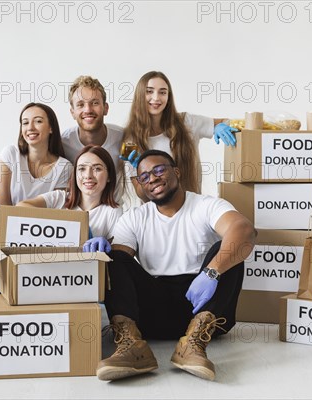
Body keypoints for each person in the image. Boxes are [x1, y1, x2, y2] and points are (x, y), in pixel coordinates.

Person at [97, 150, 256, 382]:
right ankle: (131, 347)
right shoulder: (135, 217)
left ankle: (193, 346)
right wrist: (103, 252)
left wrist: (211, 273)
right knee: (114, 258)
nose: (152, 178)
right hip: (153, 313)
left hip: (203, 308)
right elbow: (120, 269)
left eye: (159, 170)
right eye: (144, 177)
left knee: (230, 247)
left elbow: (245, 231)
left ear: (177, 172)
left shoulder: (205, 205)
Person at [0, 102, 72, 294]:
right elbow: (5, 209)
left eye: (38, 121)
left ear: (51, 127)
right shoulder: (10, 154)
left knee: (26, 298)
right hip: (0, 232)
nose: (30, 128)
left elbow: (59, 213)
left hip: (39, 238)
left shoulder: (65, 167)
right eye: (25, 122)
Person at [123, 71, 238, 197]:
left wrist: (220, 126)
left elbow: (228, 122)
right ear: (139, 95)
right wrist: (139, 170)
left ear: (168, 97)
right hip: (156, 212)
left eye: (162, 92)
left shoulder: (186, 122)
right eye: (149, 91)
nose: (156, 98)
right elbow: (142, 196)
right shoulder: (131, 139)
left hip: (191, 208)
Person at [17, 145, 122, 251]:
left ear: (109, 176)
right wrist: (61, 221)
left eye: (97, 169)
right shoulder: (59, 198)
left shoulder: (113, 212)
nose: (88, 175)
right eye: (82, 169)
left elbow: (116, 254)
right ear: (75, 174)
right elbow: (21, 207)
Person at [62, 76, 129, 206]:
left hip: (114, 211)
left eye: (95, 103)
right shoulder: (62, 144)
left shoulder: (124, 138)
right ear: (72, 112)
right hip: (77, 213)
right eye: (80, 105)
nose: (88, 110)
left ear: (106, 108)